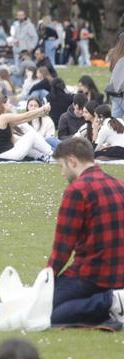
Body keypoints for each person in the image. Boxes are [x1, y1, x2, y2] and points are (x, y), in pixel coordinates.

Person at [47, 137, 124, 327]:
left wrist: (46, 279)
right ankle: (112, 306)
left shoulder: (77, 191)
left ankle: (110, 302)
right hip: (119, 273)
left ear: (72, 161)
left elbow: (63, 247)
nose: (62, 173)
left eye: (62, 166)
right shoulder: (119, 185)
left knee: (47, 313)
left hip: (91, 274)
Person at [0, 96, 54, 162]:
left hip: (2, 154)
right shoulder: (2, 117)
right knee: (31, 135)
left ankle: (44, 157)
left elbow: (24, 120)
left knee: (24, 140)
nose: (11, 105)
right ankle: (53, 154)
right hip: (4, 155)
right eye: (9, 103)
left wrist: (41, 113)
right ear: (3, 105)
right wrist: (43, 108)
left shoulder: (0, 118)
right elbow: (24, 116)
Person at [105, 32, 124, 118]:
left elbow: (111, 69)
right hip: (121, 91)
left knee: (115, 123)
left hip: (114, 91)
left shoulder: (113, 53)